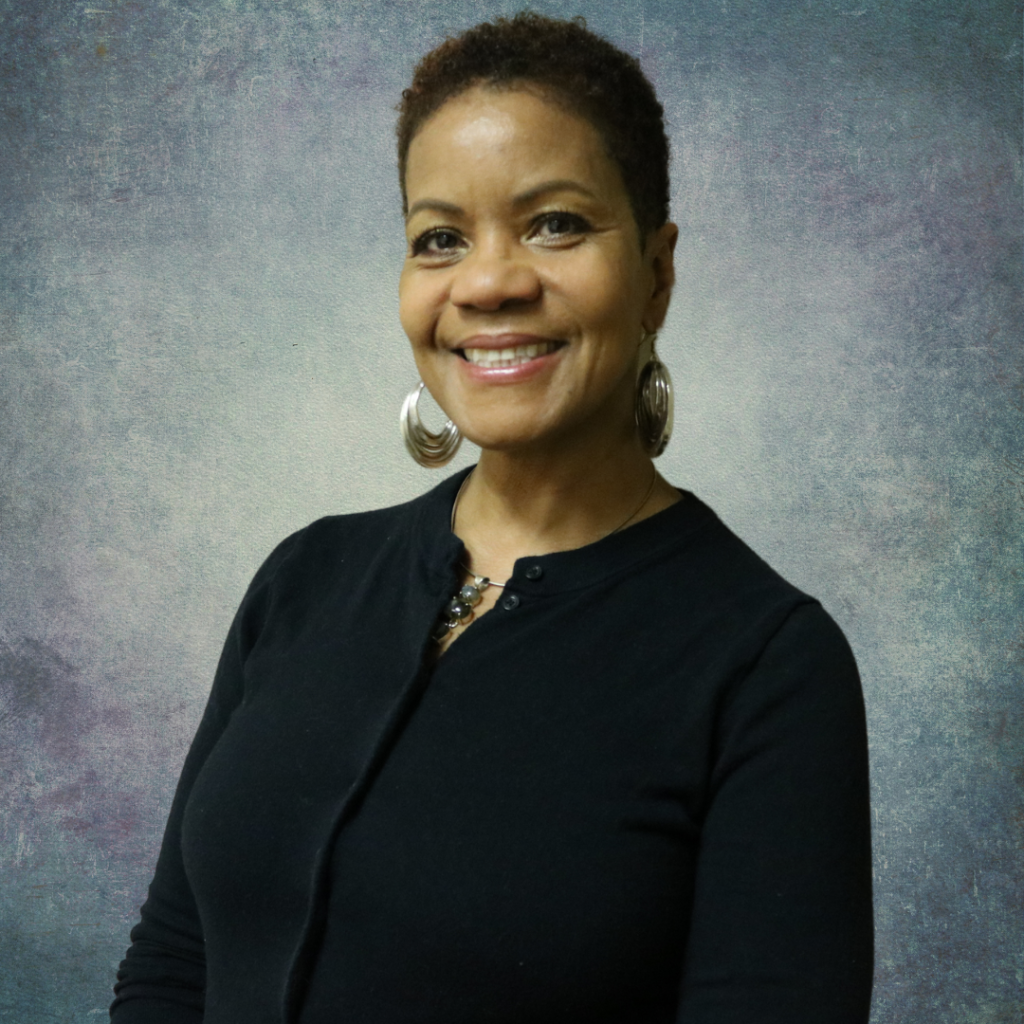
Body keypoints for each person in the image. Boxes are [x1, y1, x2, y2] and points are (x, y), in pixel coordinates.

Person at [110, 13, 873, 1023]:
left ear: (657, 272)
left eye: (555, 223)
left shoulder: (766, 664)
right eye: (440, 239)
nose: (488, 283)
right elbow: (174, 964)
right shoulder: (306, 577)